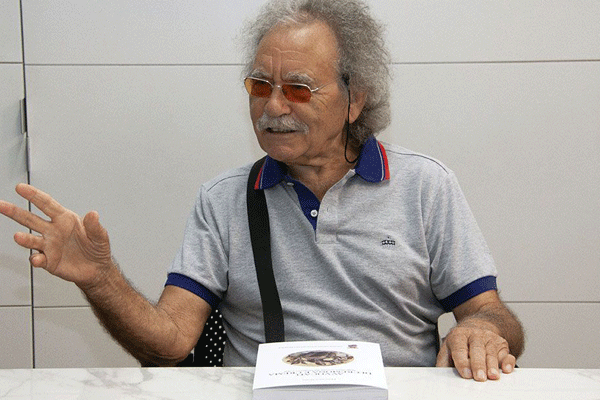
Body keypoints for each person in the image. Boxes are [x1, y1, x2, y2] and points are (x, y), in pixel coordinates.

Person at [0, 0, 523, 381]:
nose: (272, 107)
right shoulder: (223, 199)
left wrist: (482, 329)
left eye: (298, 88)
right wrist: (101, 279)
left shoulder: (425, 186)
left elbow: (495, 314)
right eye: (259, 86)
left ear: (355, 100)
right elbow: (170, 343)